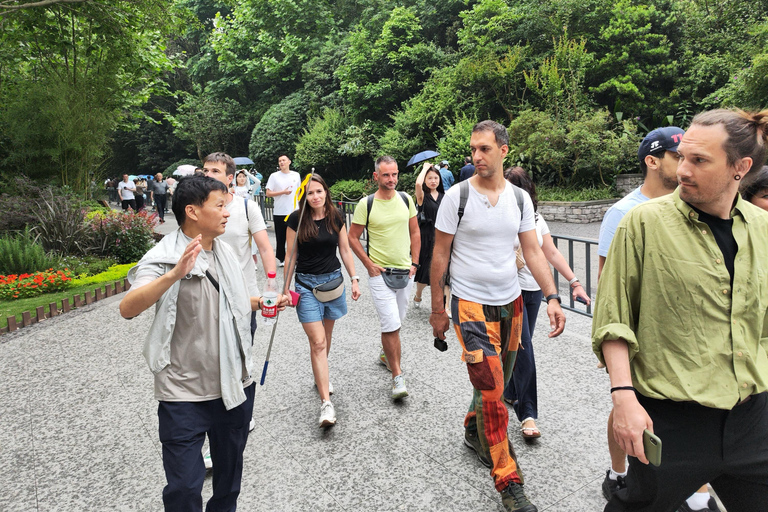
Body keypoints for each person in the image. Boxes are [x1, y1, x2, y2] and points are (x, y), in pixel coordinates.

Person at [593, 108, 768, 512]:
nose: (683, 170)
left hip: (752, 418)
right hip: (671, 422)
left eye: (699, 160)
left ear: (740, 168)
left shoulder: (761, 227)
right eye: (683, 156)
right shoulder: (642, 223)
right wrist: (623, 399)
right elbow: (614, 319)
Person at [119, 175, 288, 511]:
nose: (228, 212)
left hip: (233, 386)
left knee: (229, 480)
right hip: (183, 393)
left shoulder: (224, 251)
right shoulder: (164, 255)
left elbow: (232, 300)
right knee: (183, 487)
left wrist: (264, 302)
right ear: (193, 211)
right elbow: (128, 307)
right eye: (220, 205)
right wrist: (174, 274)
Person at [430, 120, 565, 512]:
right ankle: (508, 482)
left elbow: (534, 252)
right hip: (469, 306)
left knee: (499, 384)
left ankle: (474, 429)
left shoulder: (520, 200)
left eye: (484, 149)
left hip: (512, 305)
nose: (476, 157)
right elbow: (439, 256)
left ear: (504, 150)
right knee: (492, 390)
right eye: (473, 149)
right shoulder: (456, 197)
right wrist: (438, 309)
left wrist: (553, 295)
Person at [596, 126, 687, 502]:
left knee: (684, 415)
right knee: (626, 404)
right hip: (636, 335)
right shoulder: (622, 213)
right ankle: (619, 473)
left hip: (680, 332)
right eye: (678, 156)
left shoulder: (692, 205)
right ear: (653, 160)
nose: (686, 165)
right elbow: (607, 284)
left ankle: (692, 487)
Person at [502, 166, 590, 440]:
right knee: (521, 345)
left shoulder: (536, 219)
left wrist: (574, 281)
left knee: (519, 345)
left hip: (532, 291)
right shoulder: (498, 214)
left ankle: (512, 393)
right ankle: (527, 413)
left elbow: (551, 252)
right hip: (507, 292)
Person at [285, 174, 361, 427]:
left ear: (326, 192)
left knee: (325, 340)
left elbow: (345, 249)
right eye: (310, 193)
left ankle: (320, 375)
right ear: (303, 196)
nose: (315, 196)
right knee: (317, 343)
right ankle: (326, 403)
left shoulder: (336, 216)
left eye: (319, 191)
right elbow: (291, 256)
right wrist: (285, 289)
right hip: (305, 286)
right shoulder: (296, 220)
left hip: (333, 284)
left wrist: (354, 278)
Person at [348, 155, 421, 400]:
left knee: (398, 321)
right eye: (386, 175)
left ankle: (385, 354)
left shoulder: (406, 199)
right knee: (390, 323)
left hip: (405, 272)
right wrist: (368, 264)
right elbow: (352, 237)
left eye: (395, 174)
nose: (392, 179)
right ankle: (397, 376)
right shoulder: (365, 204)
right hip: (380, 274)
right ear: (376, 176)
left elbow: (415, 231)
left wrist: (415, 263)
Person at [412, 162, 445, 308]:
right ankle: (418, 295)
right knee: (425, 271)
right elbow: (418, 185)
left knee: (445, 271)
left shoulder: (445, 196)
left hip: (441, 236)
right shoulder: (422, 197)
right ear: (425, 180)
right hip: (426, 236)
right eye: (430, 178)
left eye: (436, 178)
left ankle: (444, 306)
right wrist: (425, 168)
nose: (433, 181)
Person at [265, 155, 301, 266]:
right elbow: (268, 193)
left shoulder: (296, 175)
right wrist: (282, 192)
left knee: (297, 236)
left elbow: (299, 191)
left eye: (283, 160)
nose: (281, 162)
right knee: (281, 236)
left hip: (294, 210)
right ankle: (282, 258)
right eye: (279, 161)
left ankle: (297, 257)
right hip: (280, 211)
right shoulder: (274, 176)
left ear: (289, 162)